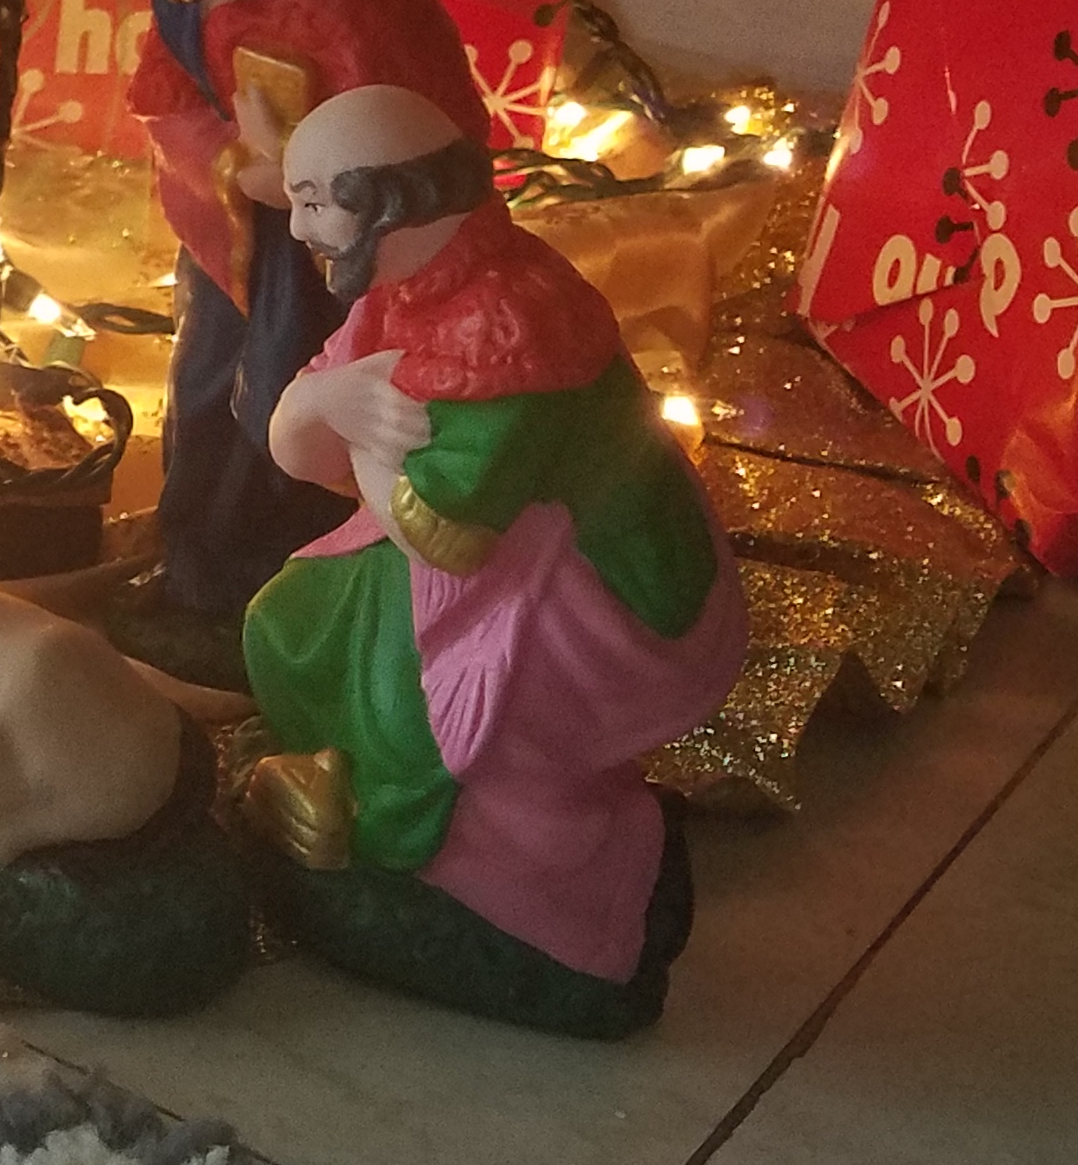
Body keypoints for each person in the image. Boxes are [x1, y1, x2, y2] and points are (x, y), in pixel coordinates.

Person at [246, 85, 746, 1026]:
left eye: (316, 200)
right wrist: (326, 404)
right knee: (292, 617)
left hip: (601, 593)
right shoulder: (407, 286)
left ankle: (519, 894)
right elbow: (299, 449)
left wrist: (350, 427)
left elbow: (443, 532)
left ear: (392, 201)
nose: (300, 226)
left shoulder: (513, 321)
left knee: (425, 701)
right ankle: (357, 791)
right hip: (494, 558)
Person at [105, 0, 488, 635]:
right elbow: (163, 98)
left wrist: (312, 183)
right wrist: (235, 169)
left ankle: (294, 588)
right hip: (238, 241)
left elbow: (415, 129)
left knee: (301, 403)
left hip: (343, 260)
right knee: (207, 390)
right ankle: (201, 572)